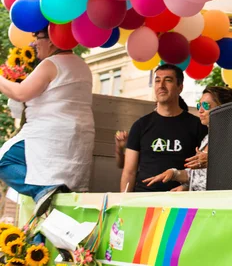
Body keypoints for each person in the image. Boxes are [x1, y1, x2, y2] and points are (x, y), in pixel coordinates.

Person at [0, 27, 95, 216]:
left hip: (49, 139)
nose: (33, 43)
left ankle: (41, 190)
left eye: (37, 37)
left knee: (3, 160)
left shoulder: (51, 63)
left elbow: (20, 93)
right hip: (75, 143)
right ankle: (46, 193)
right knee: (53, 214)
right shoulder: (82, 66)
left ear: (51, 40)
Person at [120, 64, 206, 192]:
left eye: (168, 80)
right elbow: (129, 171)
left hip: (181, 202)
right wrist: (123, 202)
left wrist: (186, 187)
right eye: (157, 81)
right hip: (143, 199)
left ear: (180, 87)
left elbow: (205, 170)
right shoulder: (140, 125)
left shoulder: (197, 125)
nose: (161, 86)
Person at [142, 86, 232, 191]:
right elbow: (198, 176)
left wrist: (214, 161)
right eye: (199, 105)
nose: (200, 110)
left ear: (224, 108)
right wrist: (174, 174)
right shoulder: (207, 138)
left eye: (205, 105)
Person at [114, 97, 193, 169]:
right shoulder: (143, 128)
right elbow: (123, 165)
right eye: (156, 106)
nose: (156, 111)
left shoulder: (190, 134)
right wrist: (119, 149)